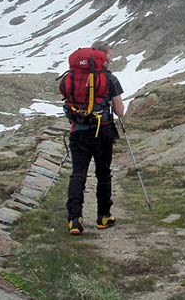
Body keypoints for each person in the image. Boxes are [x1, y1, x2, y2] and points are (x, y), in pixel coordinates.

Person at [66, 41, 125, 235]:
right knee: (103, 173)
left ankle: (74, 219)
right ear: (102, 56)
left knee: (78, 173)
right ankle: (103, 216)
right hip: (103, 131)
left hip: (78, 131)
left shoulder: (72, 76)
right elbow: (120, 111)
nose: (111, 59)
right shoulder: (109, 78)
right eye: (110, 56)